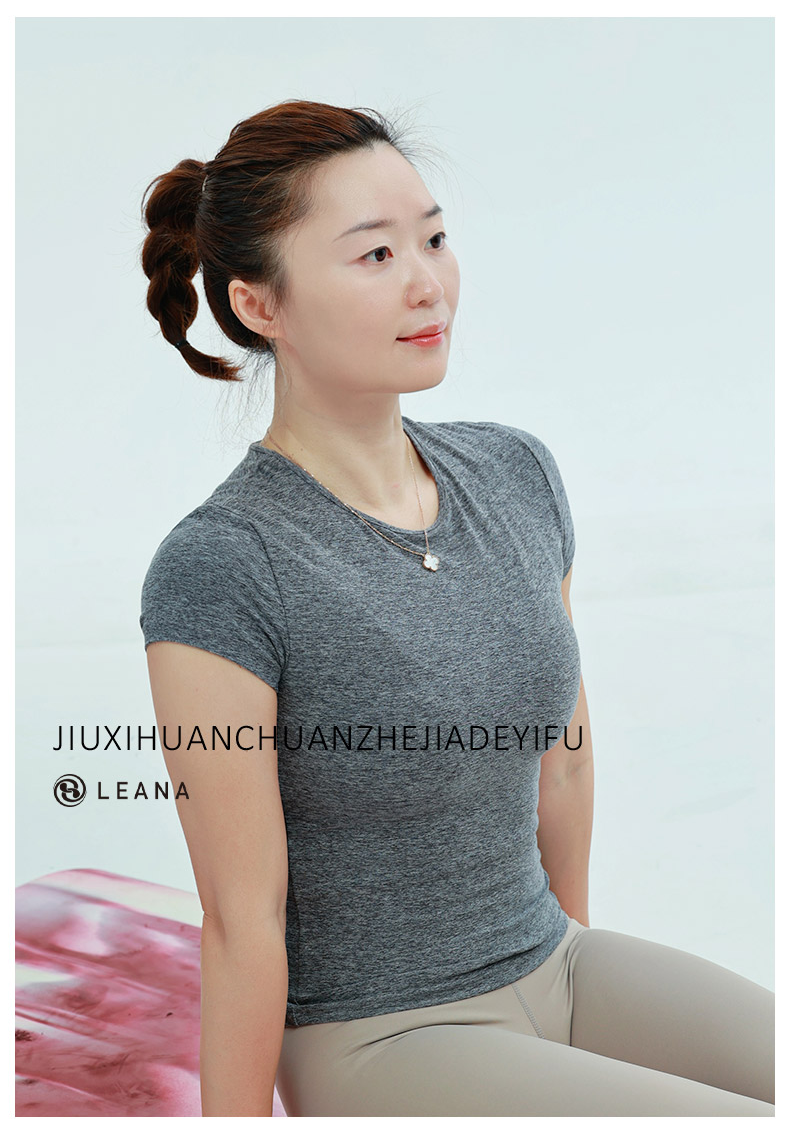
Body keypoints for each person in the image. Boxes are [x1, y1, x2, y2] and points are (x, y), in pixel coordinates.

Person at [138, 99, 774, 1117]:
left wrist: (574, 992)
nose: (427, 281)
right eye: (375, 253)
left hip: (554, 964)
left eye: (433, 239)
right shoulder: (224, 563)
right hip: (379, 1034)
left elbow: (563, 761)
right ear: (260, 305)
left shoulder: (517, 474)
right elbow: (240, 915)